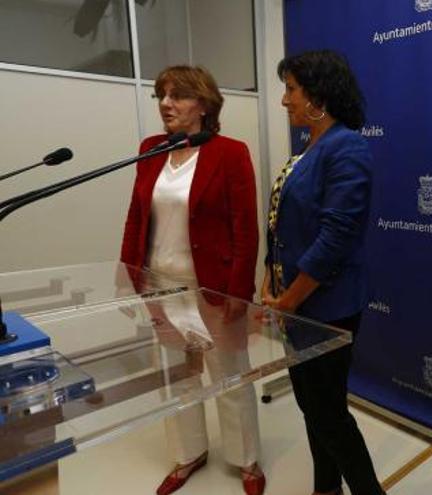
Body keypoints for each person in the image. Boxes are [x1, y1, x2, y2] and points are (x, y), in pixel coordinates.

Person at [120, 65, 264, 495]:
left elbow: (245, 227)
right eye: (161, 95)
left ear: (203, 104)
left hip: (214, 287)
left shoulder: (230, 152)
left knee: (229, 375)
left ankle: (246, 459)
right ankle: (188, 454)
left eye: (177, 96)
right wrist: (131, 277)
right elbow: (136, 216)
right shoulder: (150, 149)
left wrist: (240, 290)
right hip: (161, 284)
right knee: (177, 375)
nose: (165, 104)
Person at [261, 51, 385, 495]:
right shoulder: (309, 149)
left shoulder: (347, 145)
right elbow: (282, 224)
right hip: (296, 303)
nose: (284, 101)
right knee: (313, 408)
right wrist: (270, 280)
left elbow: (336, 237)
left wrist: (290, 298)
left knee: (328, 413)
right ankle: (325, 487)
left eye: (290, 90)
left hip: (326, 306)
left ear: (317, 95)